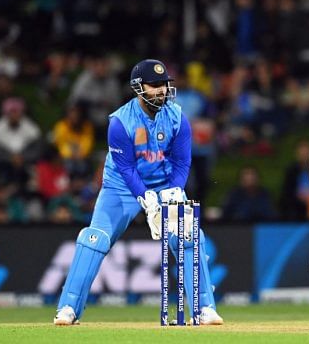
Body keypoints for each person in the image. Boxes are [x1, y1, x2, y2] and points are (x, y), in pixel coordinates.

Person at [53, 59, 223, 326]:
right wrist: (147, 200)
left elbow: (182, 162)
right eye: (154, 85)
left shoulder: (178, 117)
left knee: (188, 234)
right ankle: (68, 308)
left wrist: (174, 192)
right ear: (138, 88)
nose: (161, 90)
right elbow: (126, 167)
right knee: (94, 239)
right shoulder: (120, 122)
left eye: (164, 84)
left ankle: (204, 308)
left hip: (165, 183)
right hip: (121, 187)